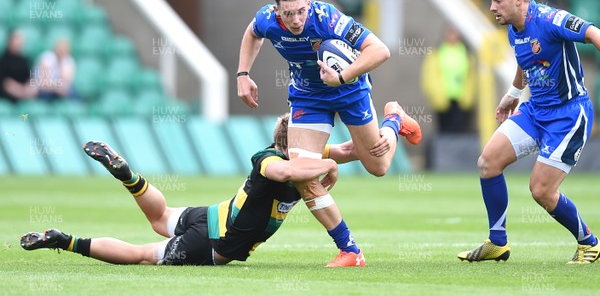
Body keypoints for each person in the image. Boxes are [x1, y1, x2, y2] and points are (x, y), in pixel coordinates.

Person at [237, 0, 421, 262]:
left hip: (349, 89)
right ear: (277, 11)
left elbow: (380, 50)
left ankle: (394, 119)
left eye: (301, 11)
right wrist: (243, 74)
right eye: (289, 13)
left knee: (378, 166)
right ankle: (349, 249)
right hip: (308, 96)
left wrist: (342, 76)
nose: (296, 19)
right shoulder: (266, 18)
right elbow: (252, 33)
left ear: (308, 4)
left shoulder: (328, 18)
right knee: (302, 173)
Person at [20, 114, 367, 267]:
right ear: (295, 140)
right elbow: (288, 170)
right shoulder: (269, 162)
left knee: (161, 217)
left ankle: (128, 176)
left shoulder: (302, 156)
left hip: (214, 215)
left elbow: (353, 150)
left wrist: (388, 128)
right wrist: (330, 164)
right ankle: (65, 241)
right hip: (214, 244)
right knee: (143, 255)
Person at [457, 0, 600, 264]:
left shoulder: (550, 19)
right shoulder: (514, 29)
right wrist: (512, 93)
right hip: (535, 110)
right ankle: (498, 242)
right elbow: (527, 62)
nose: (492, 7)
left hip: (568, 114)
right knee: (487, 163)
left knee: (541, 191)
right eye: (491, 0)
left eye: (497, 0)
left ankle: (590, 244)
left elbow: (592, 32)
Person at [421, 26, 476, 134]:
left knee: (460, 130)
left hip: (462, 100)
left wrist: (469, 96)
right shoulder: (437, 52)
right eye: (449, 33)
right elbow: (430, 75)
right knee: (444, 130)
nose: (452, 37)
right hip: (443, 99)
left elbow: (471, 77)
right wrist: (435, 95)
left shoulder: (466, 52)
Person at [0, 30, 38, 102]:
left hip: (24, 92)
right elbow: (5, 83)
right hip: (8, 95)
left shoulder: (24, 60)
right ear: (9, 41)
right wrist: (20, 91)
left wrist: (27, 89)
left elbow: (29, 78)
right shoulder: (3, 60)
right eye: (16, 39)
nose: (18, 43)